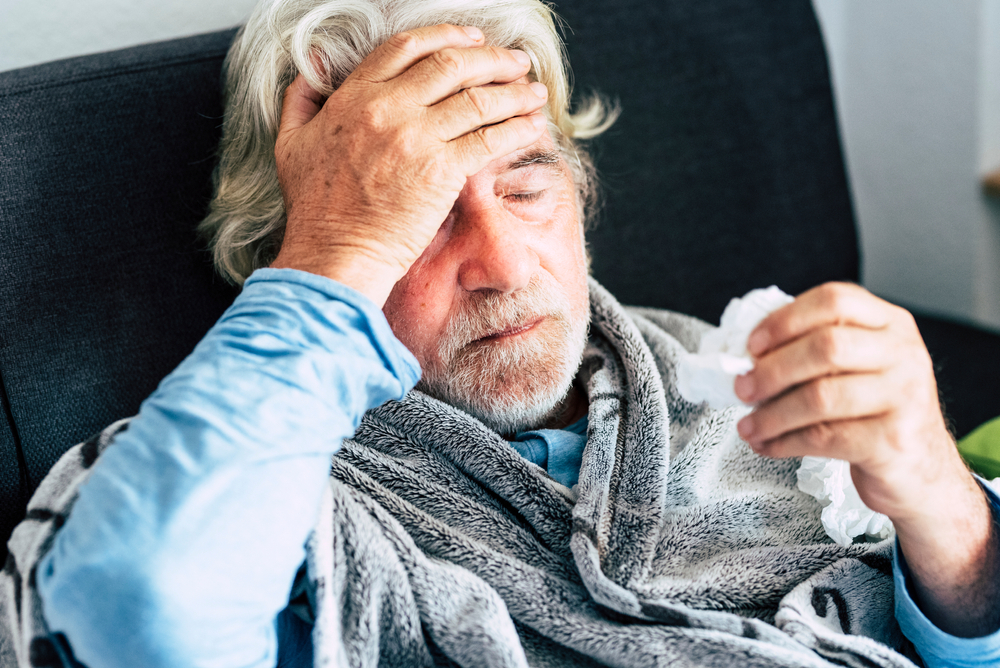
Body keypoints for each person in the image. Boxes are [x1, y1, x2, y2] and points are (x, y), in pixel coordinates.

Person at [1, 0, 998, 666]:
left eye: (526, 176)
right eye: (422, 214)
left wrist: (940, 504)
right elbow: (138, 611)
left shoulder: (716, 366)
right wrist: (338, 251)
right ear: (287, 254)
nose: (507, 263)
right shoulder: (232, 490)